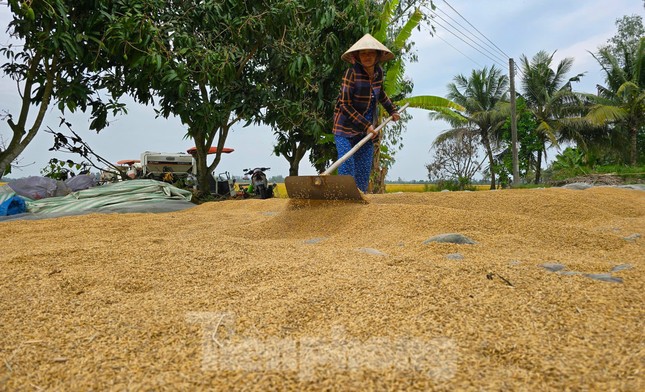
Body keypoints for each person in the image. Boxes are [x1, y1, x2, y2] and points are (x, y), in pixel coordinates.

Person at [332, 33, 400, 193]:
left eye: (371, 53)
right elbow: (345, 104)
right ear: (357, 56)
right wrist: (367, 125)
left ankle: (360, 198)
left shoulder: (378, 73)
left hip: (366, 129)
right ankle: (345, 197)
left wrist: (392, 110)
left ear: (377, 56)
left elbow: (380, 93)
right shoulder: (352, 74)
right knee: (347, 162)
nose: (367, 56)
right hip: (345, 128)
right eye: (363, 53)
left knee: (363, 165)